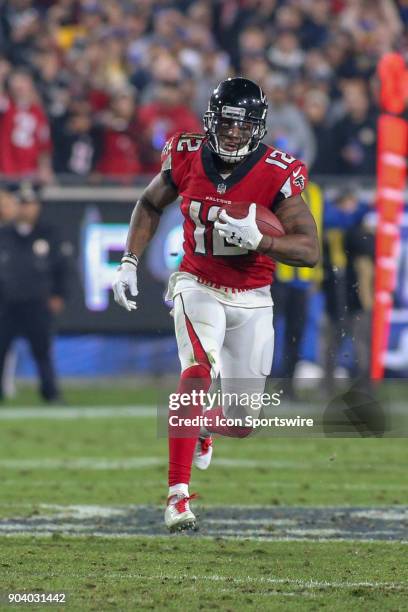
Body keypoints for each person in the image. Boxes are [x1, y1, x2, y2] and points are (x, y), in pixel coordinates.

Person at [112, 77, 319, 531]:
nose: (231, 134)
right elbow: (149, 203)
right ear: (211, 119)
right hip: (197, 280)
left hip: (252, 294)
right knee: (197, 372)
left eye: (242, 126)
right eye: (225, 123)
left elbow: (310, 251)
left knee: (244, 421)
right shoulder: (186, 152)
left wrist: (261, 239)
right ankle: (177, 496)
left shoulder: (278, 171)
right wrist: (129, 261)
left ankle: (201, 424)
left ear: (258, 128)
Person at [0, 184, 72, 403]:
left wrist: (60, 294)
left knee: (43, 351)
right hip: (7, 304)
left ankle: (50, 393)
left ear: (37, 206)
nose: (25, 210)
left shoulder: (49, 234)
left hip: (38, 303)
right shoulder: (4, 235)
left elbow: (64, 267)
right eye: (21, 204)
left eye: (29, 204)